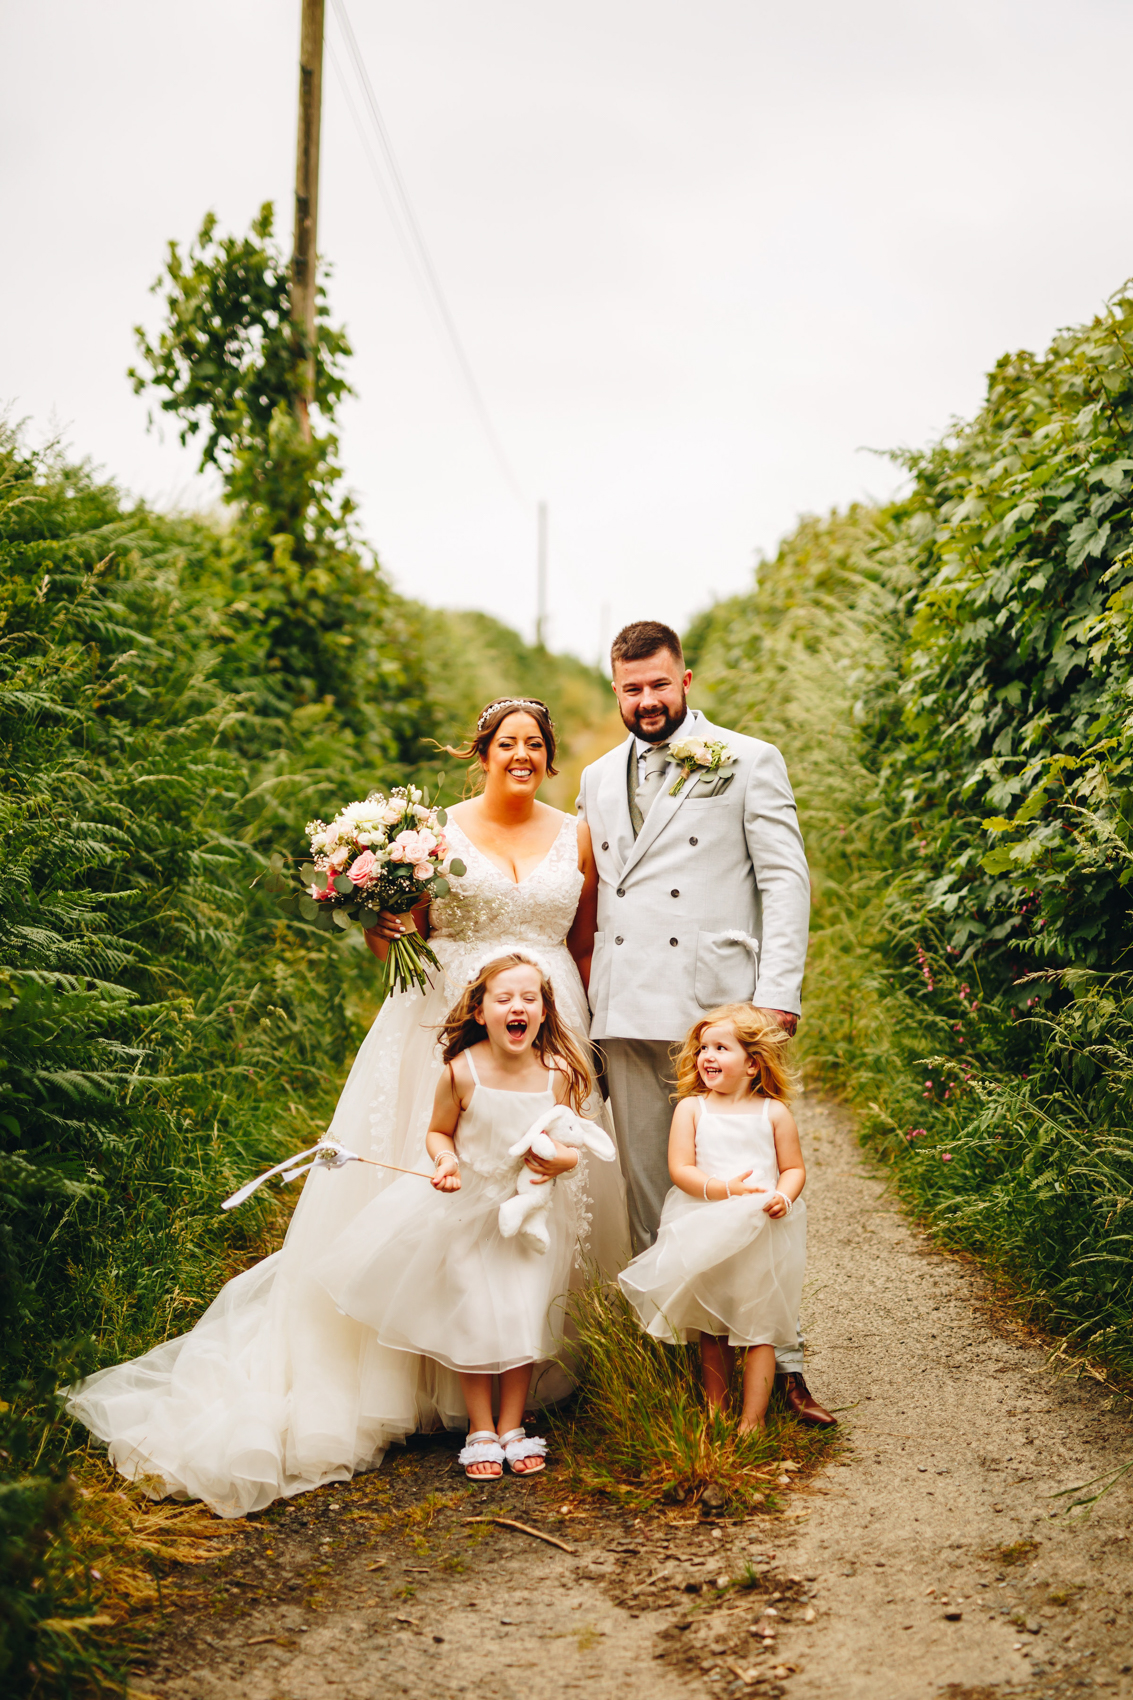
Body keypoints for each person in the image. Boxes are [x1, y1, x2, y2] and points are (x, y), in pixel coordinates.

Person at [66, 698, 629, 1518]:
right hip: (449, 1012)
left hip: (551, 1008)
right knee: (448, 1178)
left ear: (547, 756)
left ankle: (533, 1360)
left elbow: (581, 939)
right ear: (481, 752)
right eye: (506, 742)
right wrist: (385, 921)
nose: (521, 754)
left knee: (545, 1177)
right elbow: (395, 937)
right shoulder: (435, 830)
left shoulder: (573, 829)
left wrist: (580, 1021)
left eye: (533, 745)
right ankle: (420, 1371)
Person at [578, 618, 833, 1427]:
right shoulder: (591, 777)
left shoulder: (748, 758)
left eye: (658, 684)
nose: (646, 701)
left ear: (685, 679)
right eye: (630, 688)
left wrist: (776, 992)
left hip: (718, 1004)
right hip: (626, 1005)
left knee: (750, 1187)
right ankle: (684, 1364)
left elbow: (785, 882)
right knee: (654, 1190)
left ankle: (782, 1361)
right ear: (613, 689)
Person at [316, 954, 600, 1480]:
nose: (517, 1008)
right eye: (503, 999)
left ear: (544, 1011)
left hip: (530, 1215)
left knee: (523, 1312)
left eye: (529, 999)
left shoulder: (557, 1074)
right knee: (472, 1312)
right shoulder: (461, 1071)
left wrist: (562, 1160)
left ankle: (513, 1424)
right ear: (479, 1009)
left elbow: (572, 1141)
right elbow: (438, 1131)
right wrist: (445, 1160)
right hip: (466, 1210)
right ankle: (480, 1428)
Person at [619, 1006, 807, 1432]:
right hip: (705, 1224)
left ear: (753, 1062)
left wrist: (783, 1195)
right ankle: (716, 1411)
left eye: (721, 1048)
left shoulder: (773, 1113)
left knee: (760, 1326)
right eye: (703, 1047)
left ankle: (752, 1421)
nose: (707, 1056)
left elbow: (794, 1168)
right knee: (713, 1325)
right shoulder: (692, 1109)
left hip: (761, 1230)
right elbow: (681, 1168)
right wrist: (724, 1189)